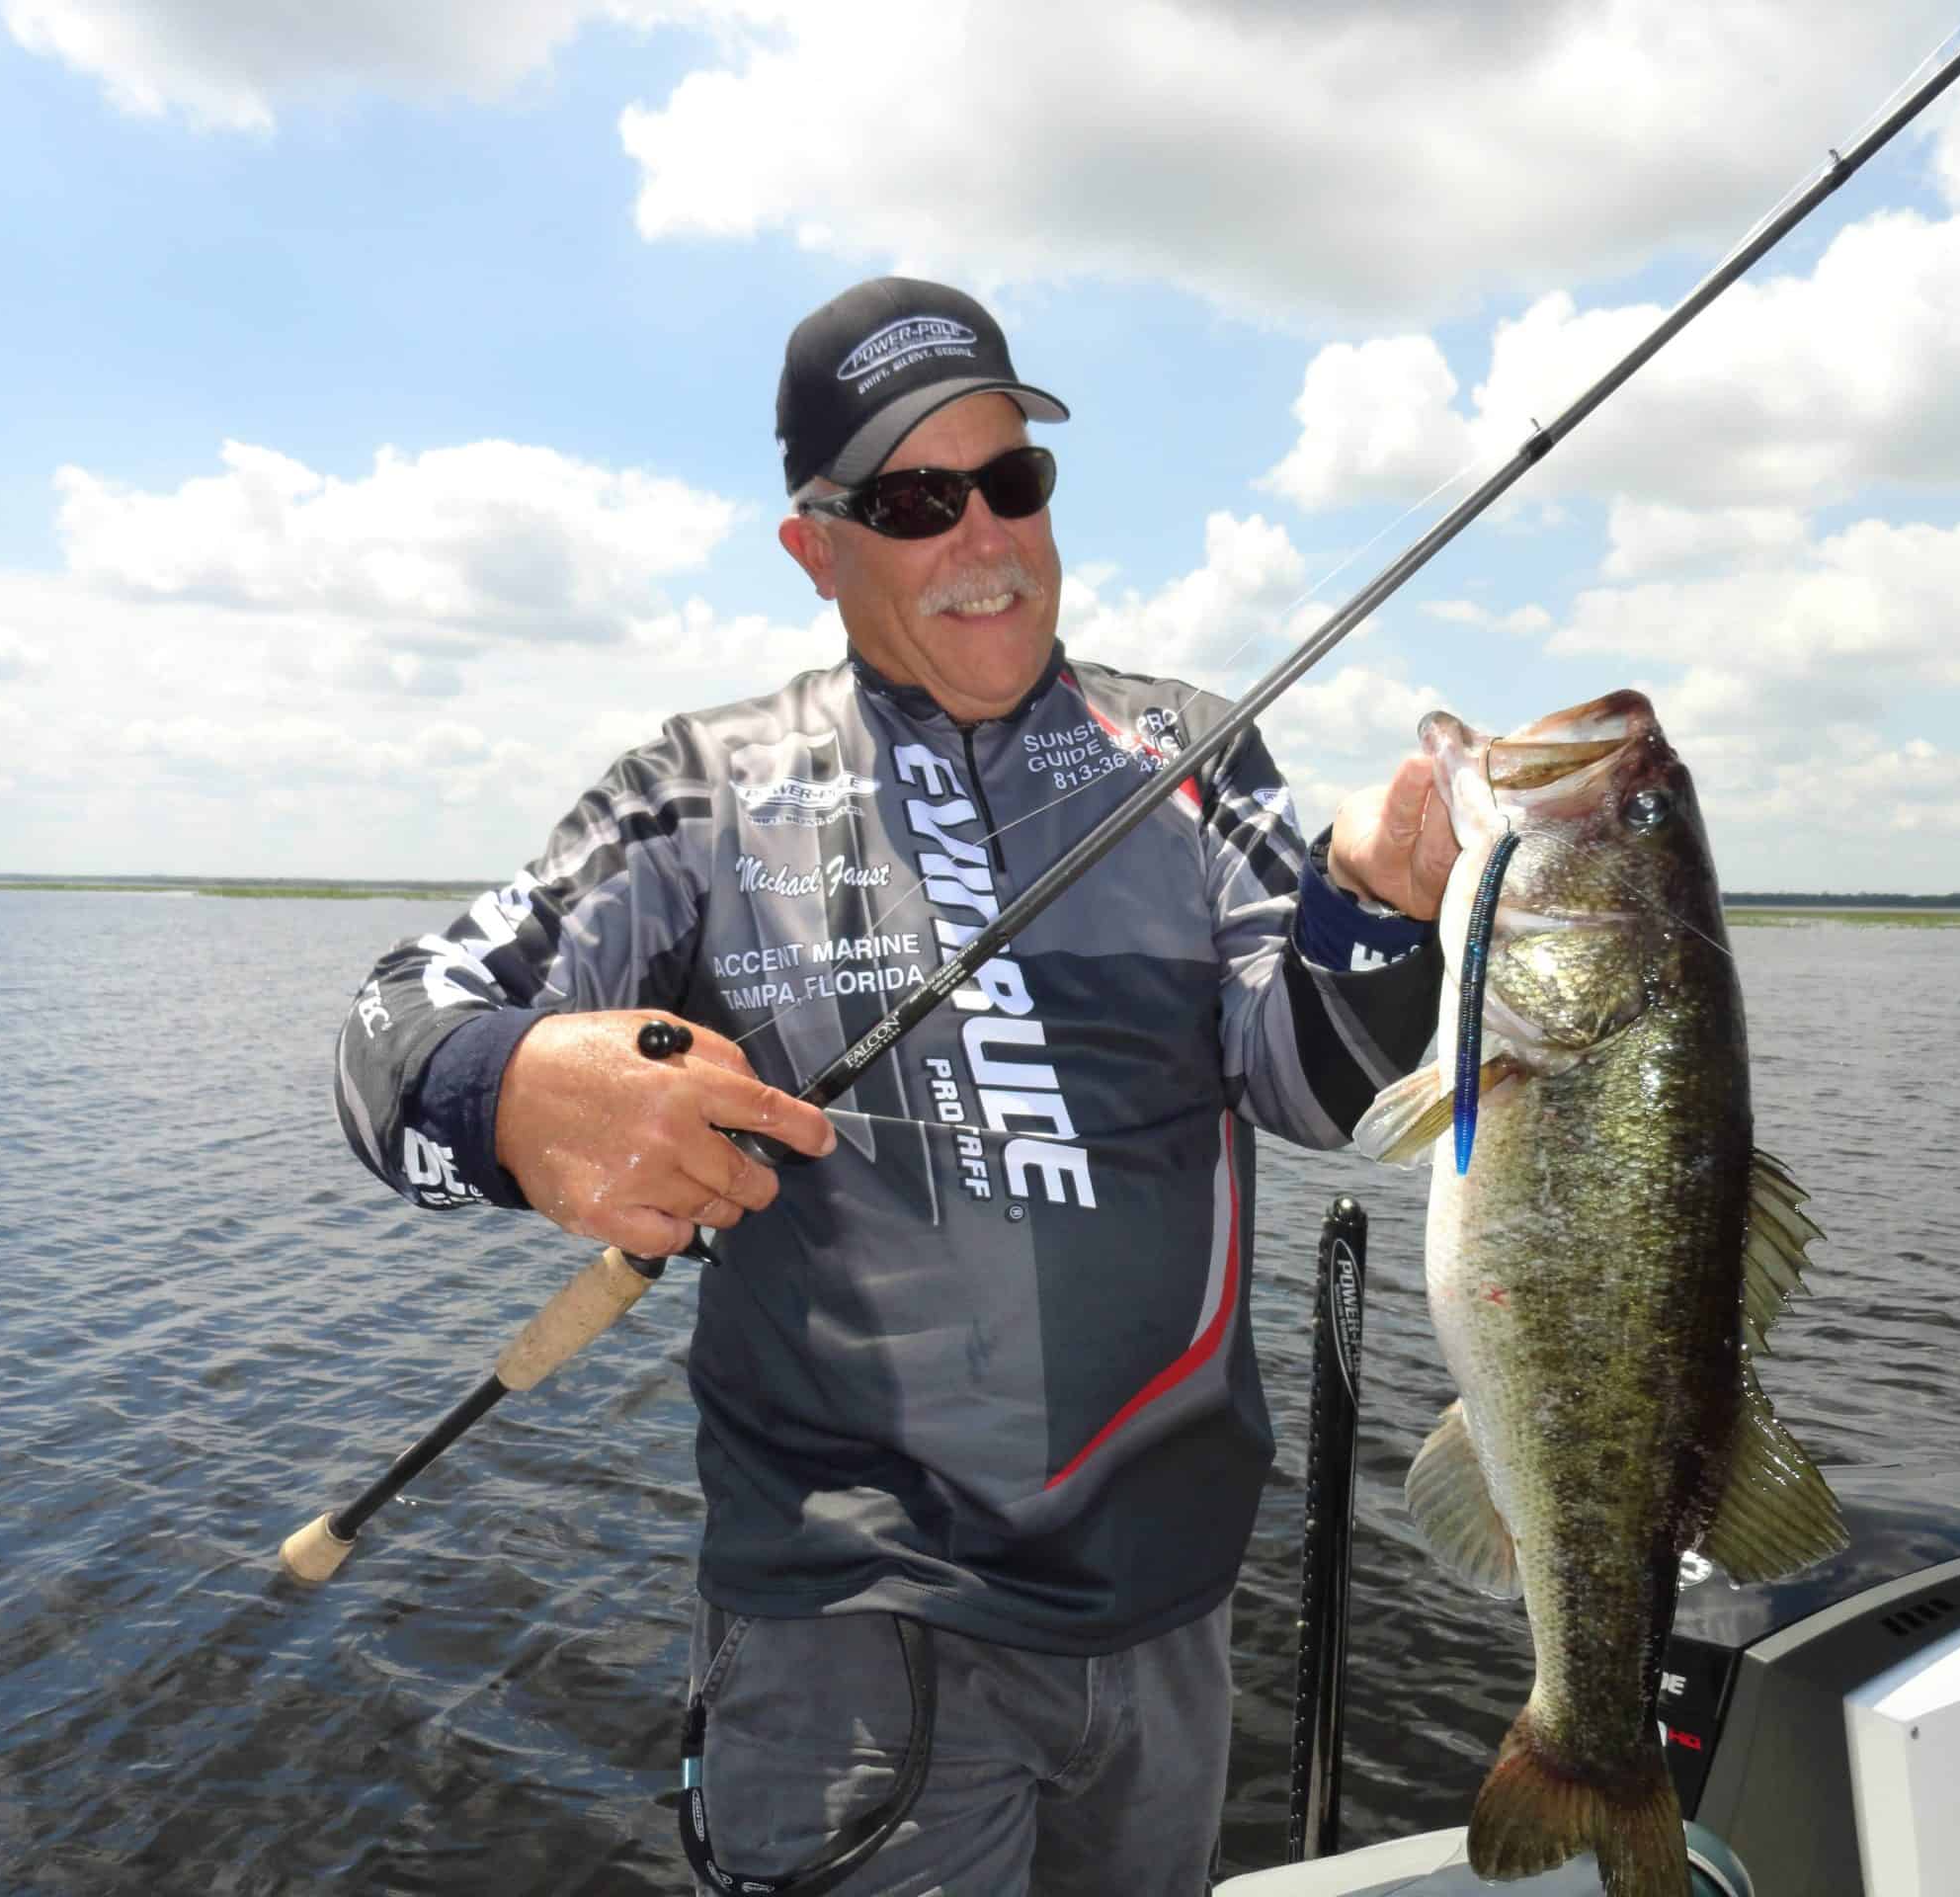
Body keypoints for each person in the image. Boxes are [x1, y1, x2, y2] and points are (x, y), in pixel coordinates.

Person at [333, 276, 1459, 1895]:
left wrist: (1369, 909)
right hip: (850, 1625)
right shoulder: (699, 795)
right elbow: (392, 1025)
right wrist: (510, 1091)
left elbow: (1314, 1085)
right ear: (816, 544)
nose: (985, 538)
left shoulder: (1197, 757)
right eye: (918, 500)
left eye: (1013, 481)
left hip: (1168, 1610)